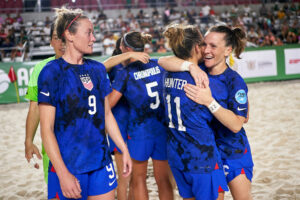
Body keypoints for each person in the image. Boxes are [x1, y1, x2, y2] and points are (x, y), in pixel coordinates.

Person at [38, 7, 132, 200]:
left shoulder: (97, 69)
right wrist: (63, 173)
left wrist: (124, 148)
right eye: (88, 32)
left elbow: (106, 115)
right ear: (69, 35)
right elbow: (46, 129)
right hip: (69, 166)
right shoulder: (51, 73)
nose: (93, 38)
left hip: (100, 163)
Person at [159, 25, 254, 200]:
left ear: (228, 50)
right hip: (208, 152)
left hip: (233, 151)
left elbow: (236, 124)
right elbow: (163, 61)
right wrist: (190, 66)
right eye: (204, 44)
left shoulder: (234, 81)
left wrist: (209, 102)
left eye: (213, 46)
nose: (206, 50)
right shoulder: (198, 68)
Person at [162, 24, 228, 200]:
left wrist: (191, 66)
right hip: (202, 158)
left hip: (178, 156)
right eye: (204, 44)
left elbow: (162, 60)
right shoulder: (203, 80)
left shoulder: (167, 74)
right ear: (197, 47)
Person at [108, 31, 173, 200]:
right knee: (163, 180)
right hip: (161, 129)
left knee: (138, 180)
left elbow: (109, 104)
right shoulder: (158, 65)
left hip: (139, 131)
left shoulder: (125, 72)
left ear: (125, 48)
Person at [25, 21, 65, 184]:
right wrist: (28, 140)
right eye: (56, 38)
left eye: (64, 38)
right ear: (50, 41)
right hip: (52, 143)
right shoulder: (41, 68)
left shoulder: (88, 67)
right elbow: (34, 108)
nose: (61, 43)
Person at [107, 38, 132, 200]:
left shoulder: (137, 66)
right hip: (119, 124)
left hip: (134, 124)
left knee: (135, 177)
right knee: (125, 177)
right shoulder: (114, 67)